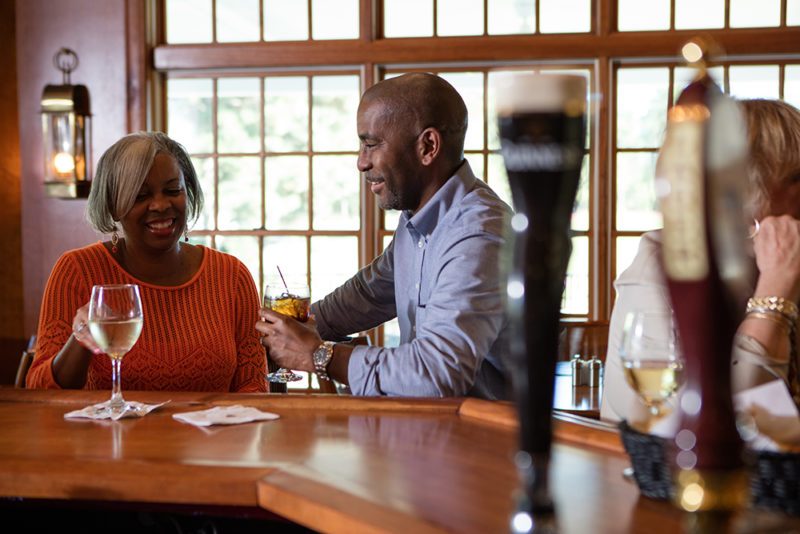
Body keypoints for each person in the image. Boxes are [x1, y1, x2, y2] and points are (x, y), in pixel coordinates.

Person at [256, 73, 512, 399]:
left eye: (371, 144)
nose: (361, 162)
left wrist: (320, 355)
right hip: (427, 434)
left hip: (482, 443)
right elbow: (370, 293)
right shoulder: (419, 220)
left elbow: (438, 372)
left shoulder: (478, 236)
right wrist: (294, 330)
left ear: (428, 146)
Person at [601, 98, 800, 423]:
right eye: (796, 176)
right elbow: (693, 423)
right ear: (748, 181)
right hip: (646, 469)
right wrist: (774, 294)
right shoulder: (662, 261)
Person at [27, 132, 267, 393]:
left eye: (173, 190)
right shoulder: (77, 270)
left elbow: (253, 387)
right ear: (112, 205)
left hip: (212, 433)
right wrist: (81, 338)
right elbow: (41, 391)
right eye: (141, 196)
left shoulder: (231, 276)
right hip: (110, 434)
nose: (161, 205)